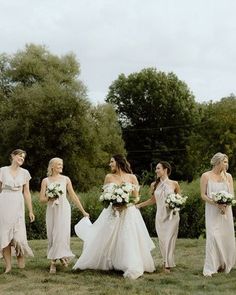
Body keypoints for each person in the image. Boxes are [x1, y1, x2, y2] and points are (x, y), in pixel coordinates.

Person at [73, 154, 155, 279]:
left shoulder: (132, 177)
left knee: (128, 237)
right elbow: (105, 196)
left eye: (111, 161)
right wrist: (113, 202)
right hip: (112, 211)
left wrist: (126, 204)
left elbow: (137, 197)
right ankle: (108, 261)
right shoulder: (109, 177)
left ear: (118, 162)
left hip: (128, 212)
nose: (109, 164)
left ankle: (128, 263)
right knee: (107, 236)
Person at [39, 157, 89, 274]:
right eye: (58, 164)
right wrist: (50, 197)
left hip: (64, 209)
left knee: (61, 234)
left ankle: (53, 262)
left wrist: (83, 211)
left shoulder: (66, 179)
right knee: (53, 234)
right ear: (52, 166)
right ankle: (59, 258)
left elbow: (73, 196)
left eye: (61, 164)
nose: (61, 166)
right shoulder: (45, 181)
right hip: (52, 210)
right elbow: (41, 199)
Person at [136, 161, 180, 273]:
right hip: (160, 216)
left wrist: (175, 204)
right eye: (156, 168)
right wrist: (139, 205)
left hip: (172, 216)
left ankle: (167, 264)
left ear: (165, 170)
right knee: (162, 240)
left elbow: (179, 199)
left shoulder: (174, 183)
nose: (156, 171)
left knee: (170, 239)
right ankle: (166, 260)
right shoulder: (153, 185)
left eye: (158, 168)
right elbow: (153, 200)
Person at [200, 152, 236, 277]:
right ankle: (211, 266)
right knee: (213, 236)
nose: (227, 164)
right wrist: (216, 204)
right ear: (218, 162)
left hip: (226, 212)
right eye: (225, 162)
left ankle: (224, 263)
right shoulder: (206, 176)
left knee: (225, 236)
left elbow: (231, 195)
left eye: (227, 162)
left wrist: (225, 205)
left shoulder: (228, 177)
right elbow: (203, 195)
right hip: (212, 211)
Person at [0, 149, 35, 273]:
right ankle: (8, 266)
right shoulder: (2, 171)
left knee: (18, 236)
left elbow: (26, 193)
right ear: (13, 156)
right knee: (5, 235)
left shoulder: (25, 173)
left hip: (18, 203)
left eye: (23, 157)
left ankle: (21, 264)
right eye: (20, 156)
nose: (22, 159)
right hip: (4, 203)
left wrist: (30, 211)